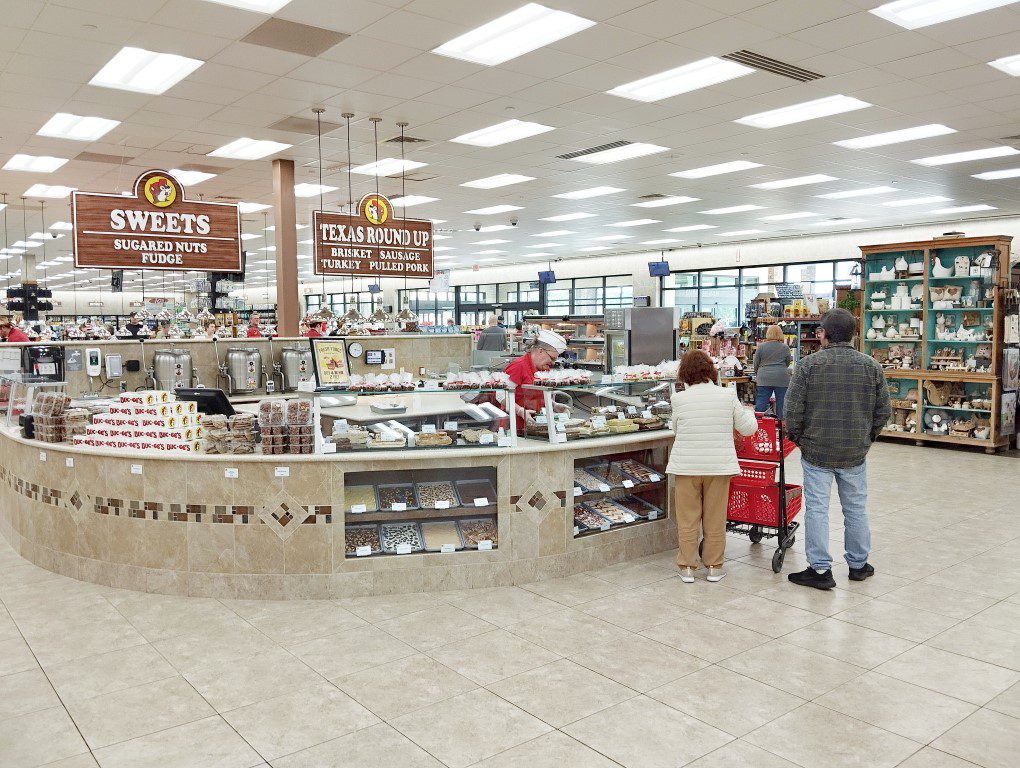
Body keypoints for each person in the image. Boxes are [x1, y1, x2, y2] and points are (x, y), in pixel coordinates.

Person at [784, 308, 890, 590]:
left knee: (817, 509)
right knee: (855, 508)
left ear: (825, 335)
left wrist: (799, 439)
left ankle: (820, 571)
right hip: (854, 452)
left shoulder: (808, 366)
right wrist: (867, 439)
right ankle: (858, 565)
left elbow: (792, 411)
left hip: (816, 450)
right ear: (854, 334)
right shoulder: (871, 366)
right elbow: (883, 411)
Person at [667, 350, 758, 583]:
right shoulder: (727, 395)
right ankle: (714, 567)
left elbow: (676, 430)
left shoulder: (679, 399)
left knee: (688, 519)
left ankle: (687, 567)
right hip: (718, 466)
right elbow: (748, 429)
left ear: (684, 373)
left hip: (687, 465)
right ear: (711, 370)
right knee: (715, 518)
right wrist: (749, 413)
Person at [504, 329, 566, 431]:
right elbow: (501, 395)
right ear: (541, 351)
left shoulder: (545, 369)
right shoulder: (518, 365)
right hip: (514, 427)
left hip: (535, 426)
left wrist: (554, 405)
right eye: (552, 358)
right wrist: (520, 411)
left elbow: (540, 396)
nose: (553, 363)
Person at [753, 324, 793, 417]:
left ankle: (759, 425)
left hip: (764, 377)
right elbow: (787, 362)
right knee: (782, 404)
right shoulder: (785, 347)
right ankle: (781, 426)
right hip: (781, 377)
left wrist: (758, 374)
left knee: (761, 403)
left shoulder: (761, 347)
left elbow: (756, 363)